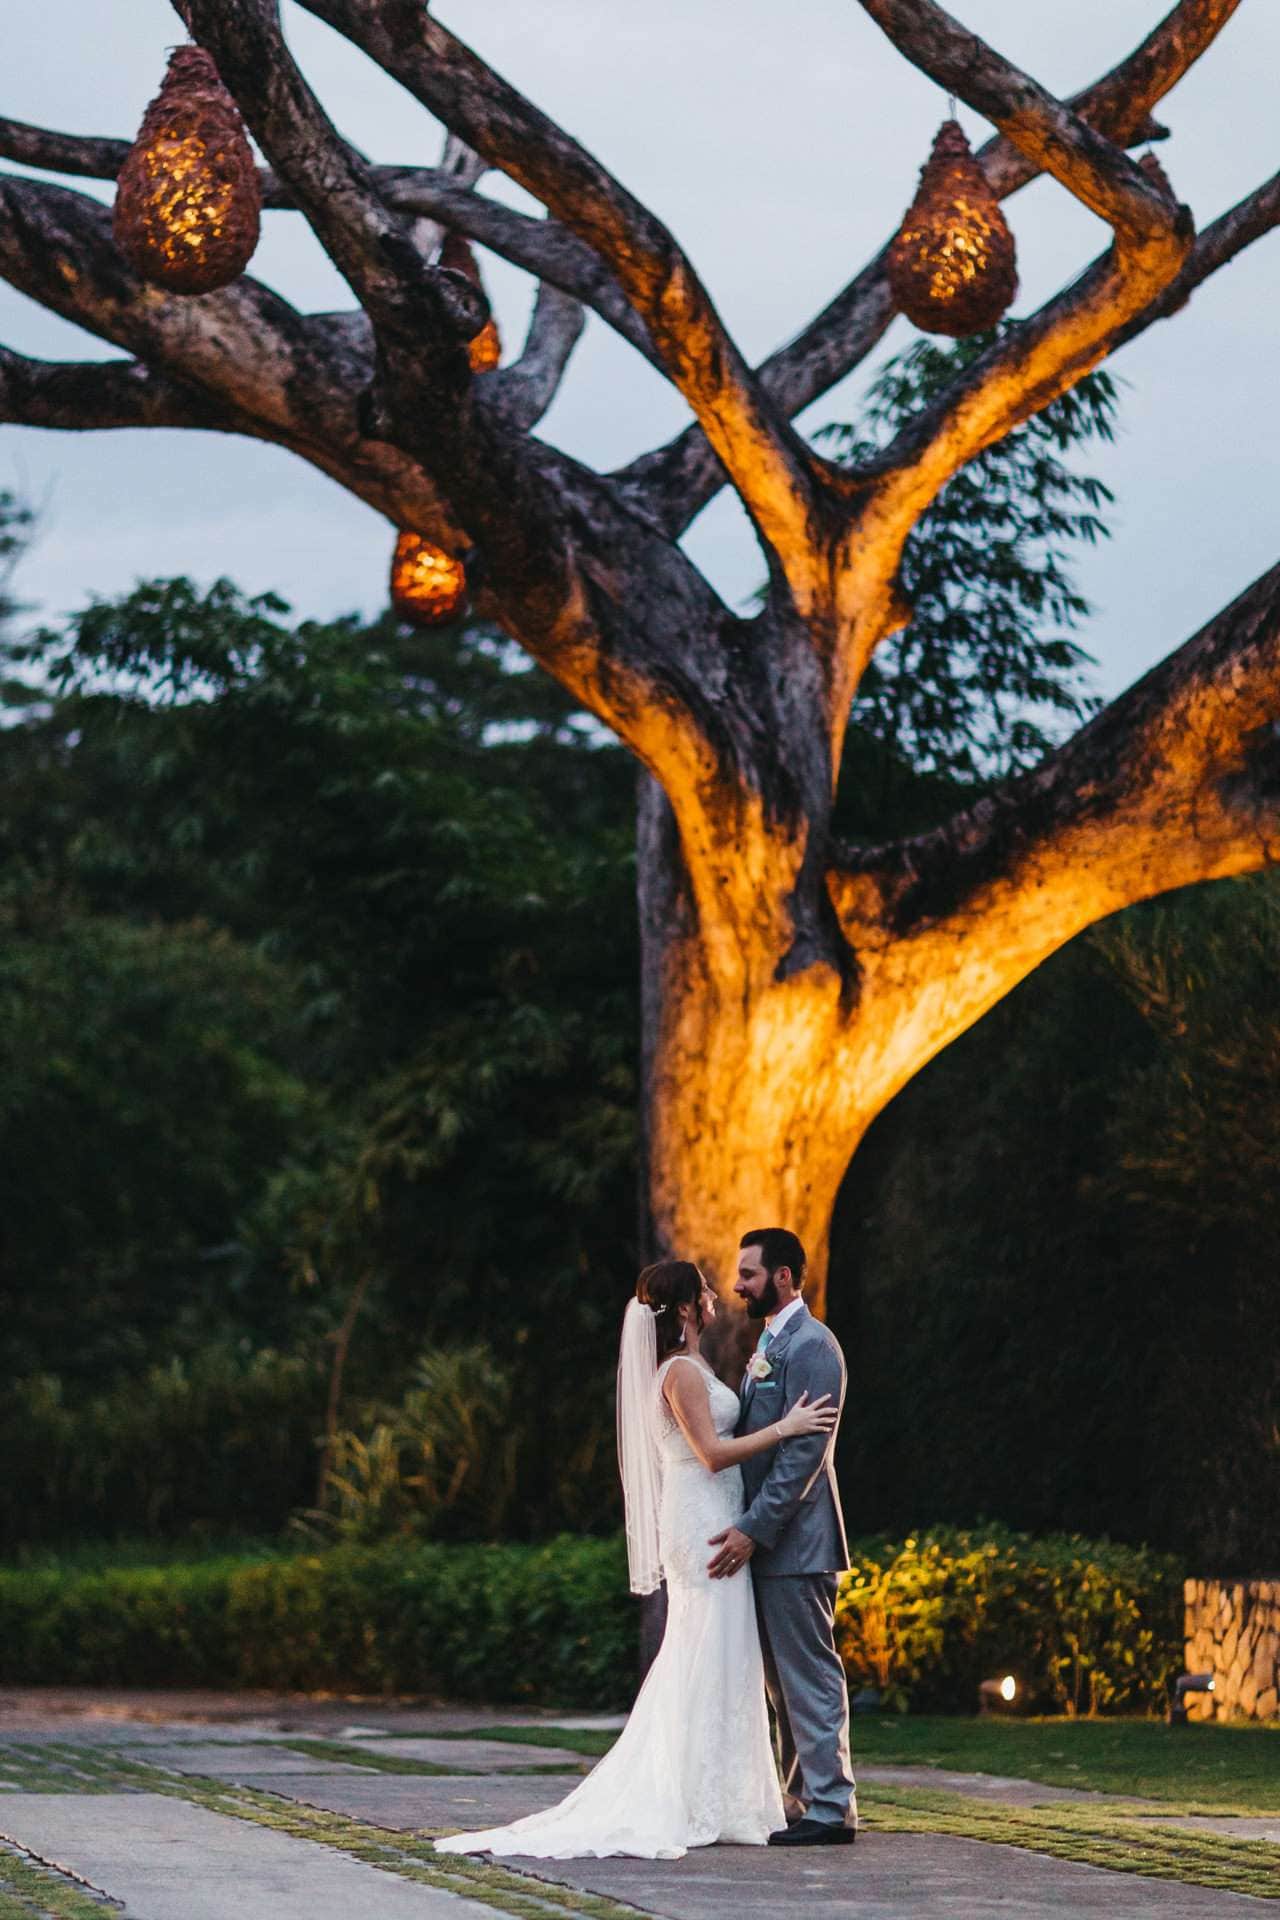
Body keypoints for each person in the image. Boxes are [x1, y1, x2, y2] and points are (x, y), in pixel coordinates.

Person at [434, 1256, 838, 1860]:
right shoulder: (680, 1372)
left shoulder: (694, 1364)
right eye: (704, 1289)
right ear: (686, 1308)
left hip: (713, 1515)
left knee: (720, 1653)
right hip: (704, 1524)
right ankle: (695, 1797)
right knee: (707, 1651)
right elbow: (711, 1454)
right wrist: (788, 1426)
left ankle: (724, 1795)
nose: (716, 1294)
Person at [707, 1228, 856, 1845]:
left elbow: (802, 1459)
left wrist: (751, 1529)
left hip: (797, 1544)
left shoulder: (813, 1345)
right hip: (774, 1548)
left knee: (809, 1675)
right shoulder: (771, 1340)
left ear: (784, 1276)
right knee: (781, 1683)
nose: (738, 1284)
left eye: (749, 1273)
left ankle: (832, 1807)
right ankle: (802, 1800)